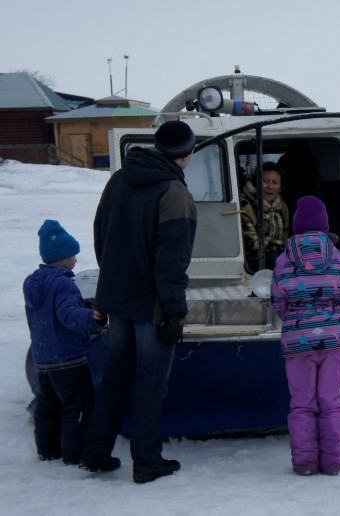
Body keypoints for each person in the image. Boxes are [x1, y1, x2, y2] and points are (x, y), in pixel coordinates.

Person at [80, 120, 197, 484]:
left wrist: (112, 282)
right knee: (150, 381)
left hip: (117, 298)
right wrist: (175, 312)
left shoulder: (119, 179)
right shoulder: (173, 193)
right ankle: (146, 461)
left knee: (115, 375)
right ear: (187, 155)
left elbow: (100, 232)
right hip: (151, 305)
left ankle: (95, 452)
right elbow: (171, 262)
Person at [271, 196, 340, 476]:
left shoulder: (284, 260)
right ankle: (332, 464)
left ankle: (305, 464)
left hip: (297, 343)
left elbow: (278, 301)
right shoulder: (339, 257)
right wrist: (334, 319)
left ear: (295, 226)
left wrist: (295, 320)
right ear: (324, 225)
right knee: (331, 402)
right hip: (332, 341)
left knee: (302, 403)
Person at [23, 220, 106, 464]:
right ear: (62, 258)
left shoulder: (32, 283)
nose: (76, 261)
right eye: (72, 256)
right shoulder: (63, 284)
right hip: (69, 359)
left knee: (47, 406)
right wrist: (93, 316)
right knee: (77, 404)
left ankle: (47, 450)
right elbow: (68, 315)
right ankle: (75, 452)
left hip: (43, 358)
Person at [240, 161, 290, 272]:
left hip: (278, 255)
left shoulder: (283, 207)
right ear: (256, 183)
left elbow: (286, 238)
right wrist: (281, 246)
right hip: (254, 260)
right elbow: (252, 244)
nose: (270, 187)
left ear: (280, 187)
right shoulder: (245, 205)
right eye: (264, 181)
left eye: (275, 182)